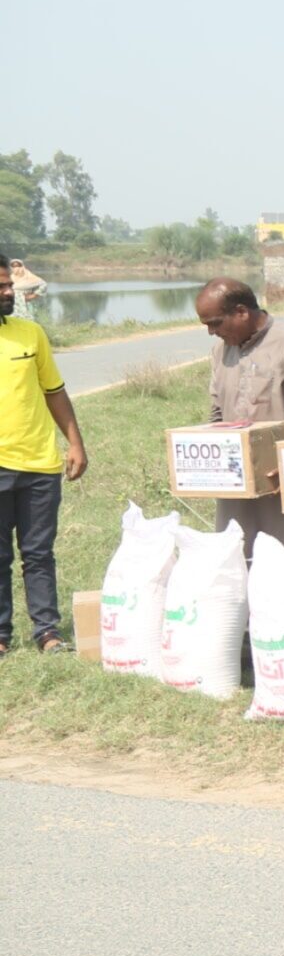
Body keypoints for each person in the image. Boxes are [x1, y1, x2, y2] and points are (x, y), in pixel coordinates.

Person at [196, 277, 284, 559]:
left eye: (215, 323)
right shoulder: (222, 350)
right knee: (240, 558)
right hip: (238, 482)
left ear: (242, 312)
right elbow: (218, 412)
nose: (211, 332)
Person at [0, 252, 86, 655]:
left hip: (39, 464)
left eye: (7, 284)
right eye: (1, 287)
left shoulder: (30, 334)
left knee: (38, 553)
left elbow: (54, 390)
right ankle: (1, 636)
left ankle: (48, 633)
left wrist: (74, 441)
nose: (8, 292)